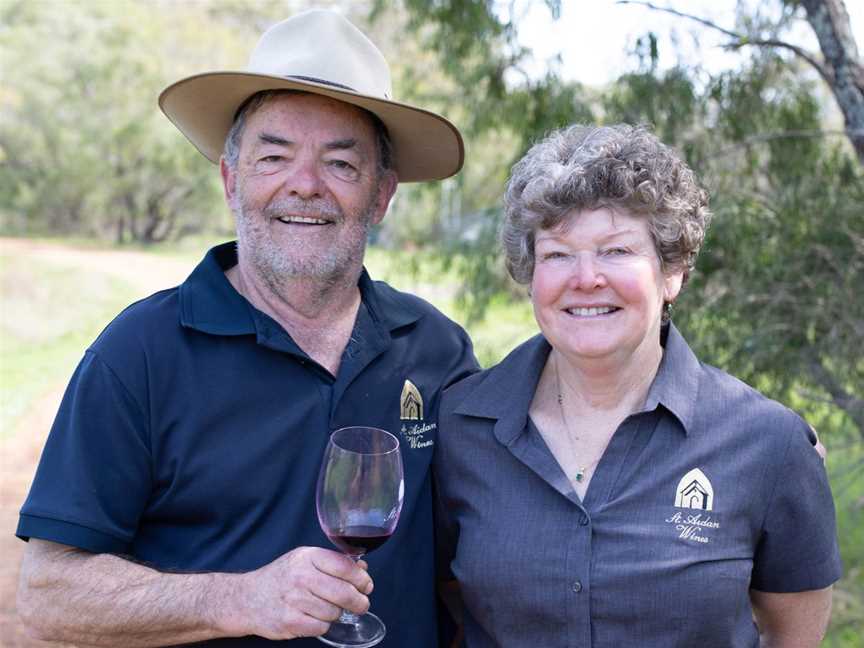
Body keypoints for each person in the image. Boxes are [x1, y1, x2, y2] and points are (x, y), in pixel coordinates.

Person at [16, 9, 477, 647]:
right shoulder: (140, 353)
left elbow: (482, 550)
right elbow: (46, 593)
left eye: (341, 164)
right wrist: (235, 598)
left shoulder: (437, 350)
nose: (306, 185)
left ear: (381, 195)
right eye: (274, 156)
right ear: (232, 180)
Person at [434, 124, 842, 647]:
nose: (585, 278)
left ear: (672, 272)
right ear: (530, 271)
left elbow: (792, 637)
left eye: (616, 250)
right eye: (558, 254)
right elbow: (447, 605)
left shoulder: (769, 444)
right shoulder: (460, 426)